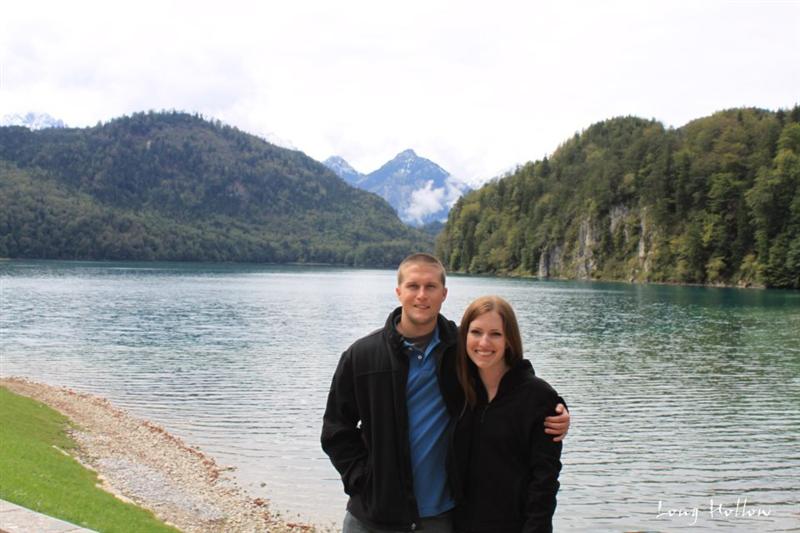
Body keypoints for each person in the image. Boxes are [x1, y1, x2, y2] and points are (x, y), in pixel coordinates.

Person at [321, 253, 569, 533]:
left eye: (431, 287)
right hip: (371, 516)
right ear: (398, 291)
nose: (421, 295)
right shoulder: (363, 356)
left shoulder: (462, 349)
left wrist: (554, 407)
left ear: (444, 294)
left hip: (439, 517)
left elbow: (510, 375)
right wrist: (362, 479)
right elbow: (336, 428)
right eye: (413, 286)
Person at [453, 296, 563, 533]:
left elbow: (544, 481)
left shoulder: (539, 398)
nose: (484, 342)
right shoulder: (458, 390)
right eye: (476, 332)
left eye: (495, 334)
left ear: (509, 340)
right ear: (464, 337)